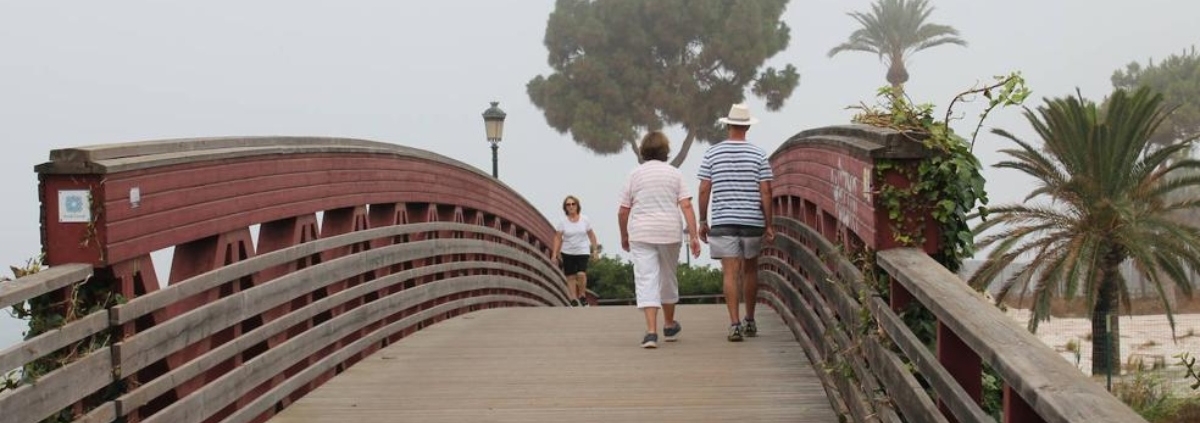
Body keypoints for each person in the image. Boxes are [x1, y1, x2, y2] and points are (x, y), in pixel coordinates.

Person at [697, 103, 775, 342]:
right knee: (750, 270)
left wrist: (703, 220)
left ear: (728, 125)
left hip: (723, 221)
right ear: (747, 127)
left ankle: (734, 324)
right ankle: (750, 320)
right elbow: (766, 191)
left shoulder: (712, 153)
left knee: (730, 273)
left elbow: (704, 189)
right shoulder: (759, 154)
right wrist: (768, 223)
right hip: (752, 220)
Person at [618, 131, 702, 348]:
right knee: (667, 276)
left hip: (641, 232)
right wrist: (693, 236)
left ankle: (651, 333)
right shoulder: (675, 174)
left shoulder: (634, 175)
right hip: (668, 232)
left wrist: (624, 235)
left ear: (644, 151)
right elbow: (686, 205)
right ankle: (669, 323)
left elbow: (623, 211)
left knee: (646, 279)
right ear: (666, 151)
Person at [551, 195, 599, 307]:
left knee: (581, 274)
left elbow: (591, 235)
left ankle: (582, 295)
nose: (571, 206)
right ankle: (573, 299)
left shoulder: (585, 219)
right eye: (568, 204)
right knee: (571, 276)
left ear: (577, 206)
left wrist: (595, 250)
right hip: (567, 251)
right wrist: (554, 254)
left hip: (582, 250)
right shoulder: (562, 222)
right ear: (565, 208)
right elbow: (557, 238)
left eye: (573, 204)